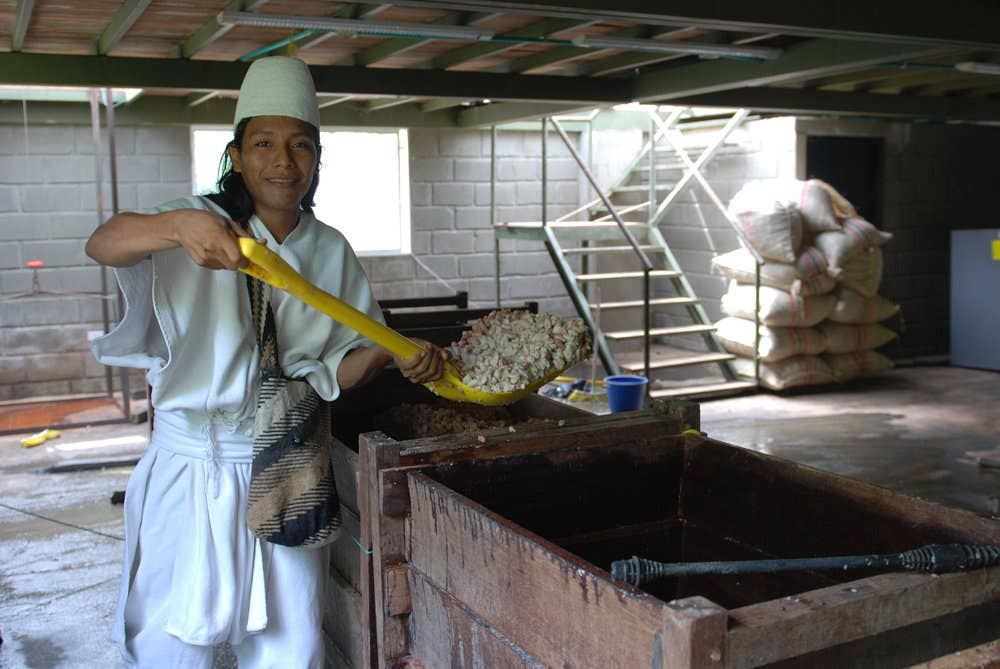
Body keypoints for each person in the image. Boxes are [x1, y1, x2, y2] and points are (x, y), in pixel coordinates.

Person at [86, 56, 446, 668]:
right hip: (193, 463)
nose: (284, 162)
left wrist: (392, 351)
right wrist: (177, 226)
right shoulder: (196, 221)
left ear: (316, 159)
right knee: (175, 645)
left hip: (290, 463)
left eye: (301, 146)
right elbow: (103, 242)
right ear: (236, 153)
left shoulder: (329, 249)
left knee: (292, 645)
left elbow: (341, 369)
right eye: (264, 144)